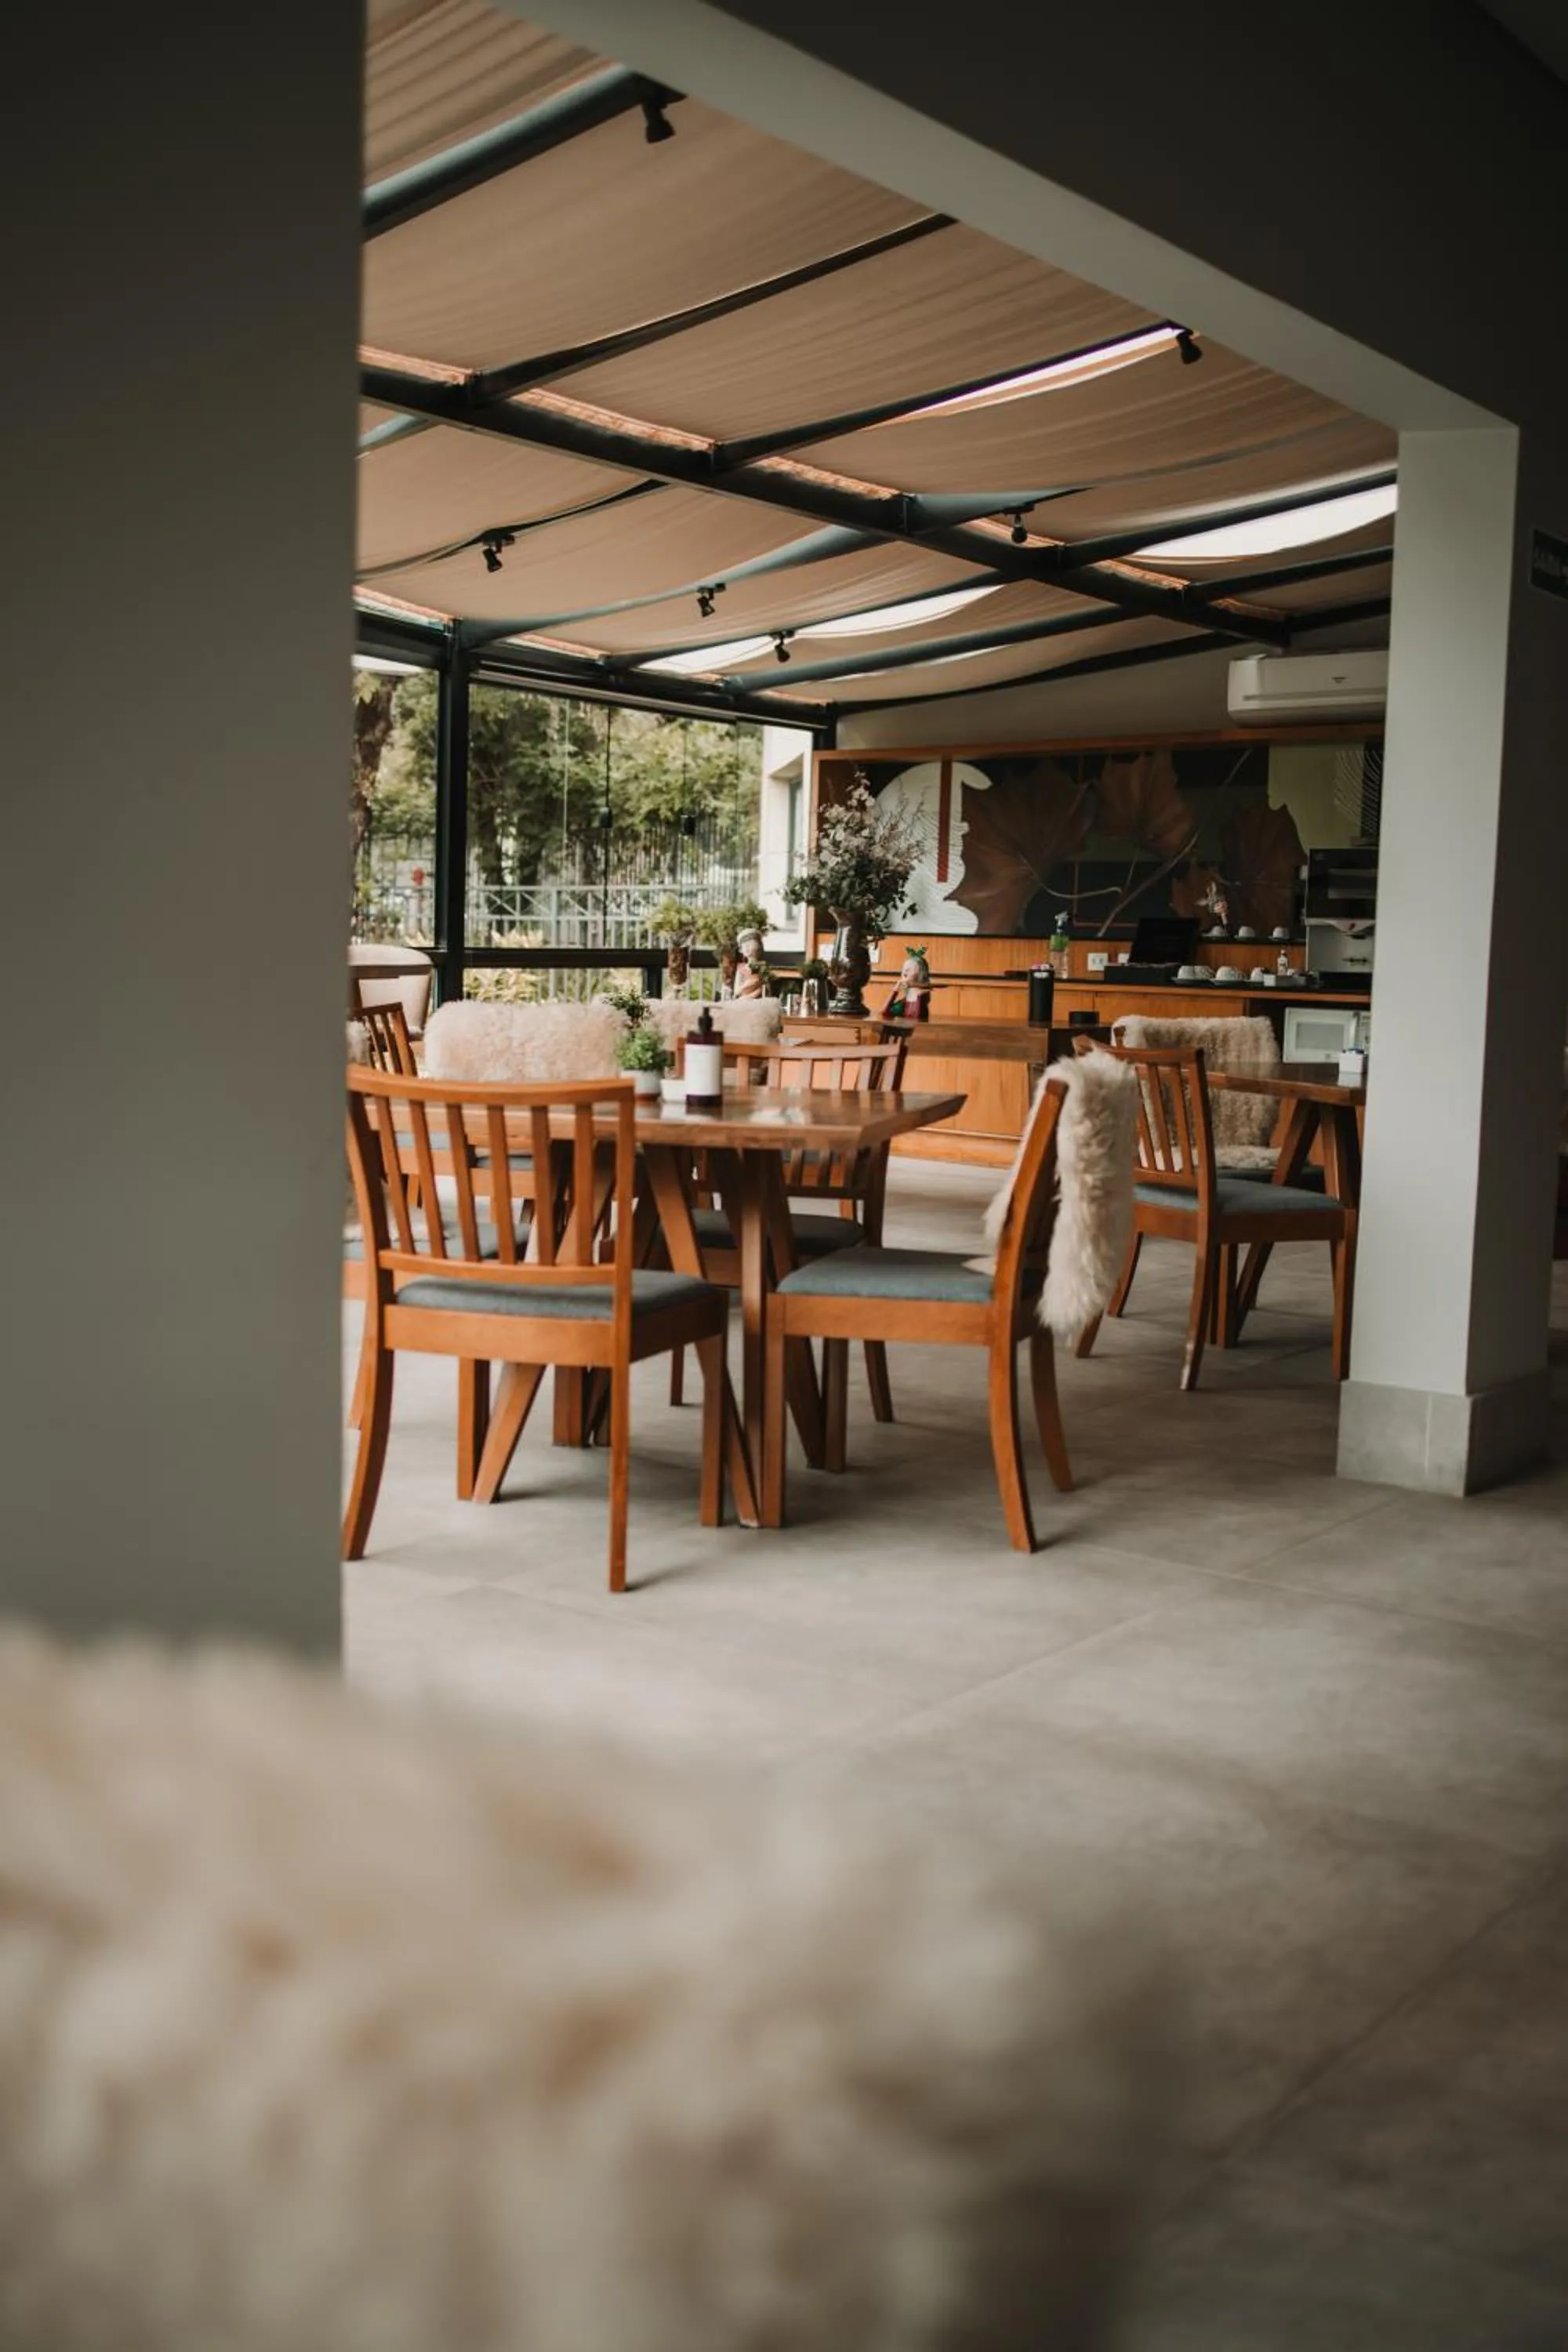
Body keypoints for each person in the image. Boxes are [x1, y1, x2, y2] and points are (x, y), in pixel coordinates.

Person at [884, 945, 931, 1022]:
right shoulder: (906, 1000)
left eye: (909, 969)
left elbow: (916, 1017)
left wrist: (916, 988)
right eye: (905, 969)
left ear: (920, 973)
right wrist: (895, 991)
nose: (905, 972)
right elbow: (885, 1013)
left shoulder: (920, 997)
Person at [731, 927, 768, 999]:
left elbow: (765, 987)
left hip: (758, 999)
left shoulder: (763, 966)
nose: (747, 948)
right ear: (741, 950)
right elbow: (737, 989)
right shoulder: (741, 968)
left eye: (750, 944)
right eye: (744, 946)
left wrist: (755, 993)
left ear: (760, 946)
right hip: (743, 998)